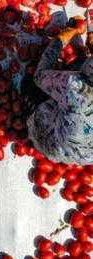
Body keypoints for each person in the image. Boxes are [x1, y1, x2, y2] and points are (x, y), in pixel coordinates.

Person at [21, 18, 93, 165]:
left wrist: (61, 39)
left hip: (53, 144)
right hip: (87, 156)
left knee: (32, 85)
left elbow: (39, 75)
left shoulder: (76, 88)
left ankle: (35, 108)